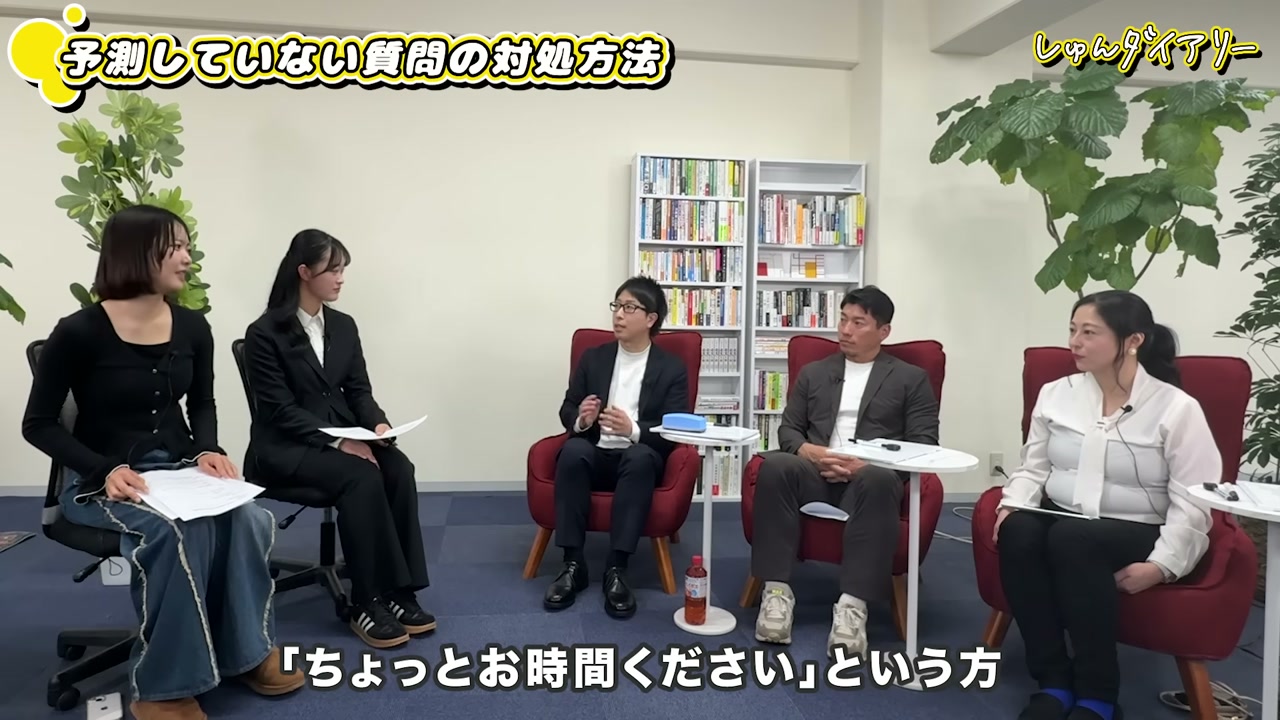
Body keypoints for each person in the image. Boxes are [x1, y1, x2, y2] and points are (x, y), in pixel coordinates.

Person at [21, 205, 302, 720]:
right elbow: (37, 424)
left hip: (178, 471)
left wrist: (207, 449)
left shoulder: (193, 327)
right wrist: (104, 469)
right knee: (171, 533)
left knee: (248, 518)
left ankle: (248, 653)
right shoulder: (78, 332)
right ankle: (161, 688)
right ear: (136, 253)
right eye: (175, 247)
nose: (187, 258)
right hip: (102, 483)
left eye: (187, 246)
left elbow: (203, 403)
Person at [995, 290, 1221, 720]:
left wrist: (1162, 565)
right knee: (1019, 531)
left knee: (1073, 538)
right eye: (1072, 330)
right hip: (1064, 515)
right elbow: (1033, 466)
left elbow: (1194, 499)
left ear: (1133, 341)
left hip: (1138, 527)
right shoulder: (1056, 393)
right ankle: (1053, 681)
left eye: (1089, 333)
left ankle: (1098, 695)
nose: (1074, 342)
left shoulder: (1176, 408)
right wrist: (1013, 505)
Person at [242, 229, 433, 650]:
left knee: (398, 467)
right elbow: (279, 410)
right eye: (332, 270)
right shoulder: (265, 333)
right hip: (286, 448)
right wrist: (339, 443)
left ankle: (400, 591)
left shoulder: (343, 326)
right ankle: (366, 600)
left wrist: (378, 426)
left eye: (343, 269)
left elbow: (358, 391)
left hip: (343, 437)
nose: (341, 278)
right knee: (360, 476)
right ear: (304, 272)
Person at [750, 285, 940, 658]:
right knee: (776, 466)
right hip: (814, 471)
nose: (846, 330)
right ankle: (776, 593)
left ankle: (853, 607)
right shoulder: (815, 372)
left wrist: (865, 465)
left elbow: (924, 444)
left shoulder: (910, 378)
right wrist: (812, 452)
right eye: (842, 320)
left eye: (858, 323)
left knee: (879, 478)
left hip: (869, 480)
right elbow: (789, 430)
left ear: (883, 331)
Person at [544, 275, 691, 618]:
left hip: (638, 457)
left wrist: (633, 429)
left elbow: (676, 426)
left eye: (629, 308)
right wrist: (581, 419)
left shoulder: (671, 368)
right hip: (594, 451)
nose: (619, 315)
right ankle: (573, 565)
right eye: (617, 306)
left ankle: (617, 568)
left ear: (651, 318)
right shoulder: (594, 358)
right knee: (572, 452)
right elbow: (568, 408)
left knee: (639, 459)